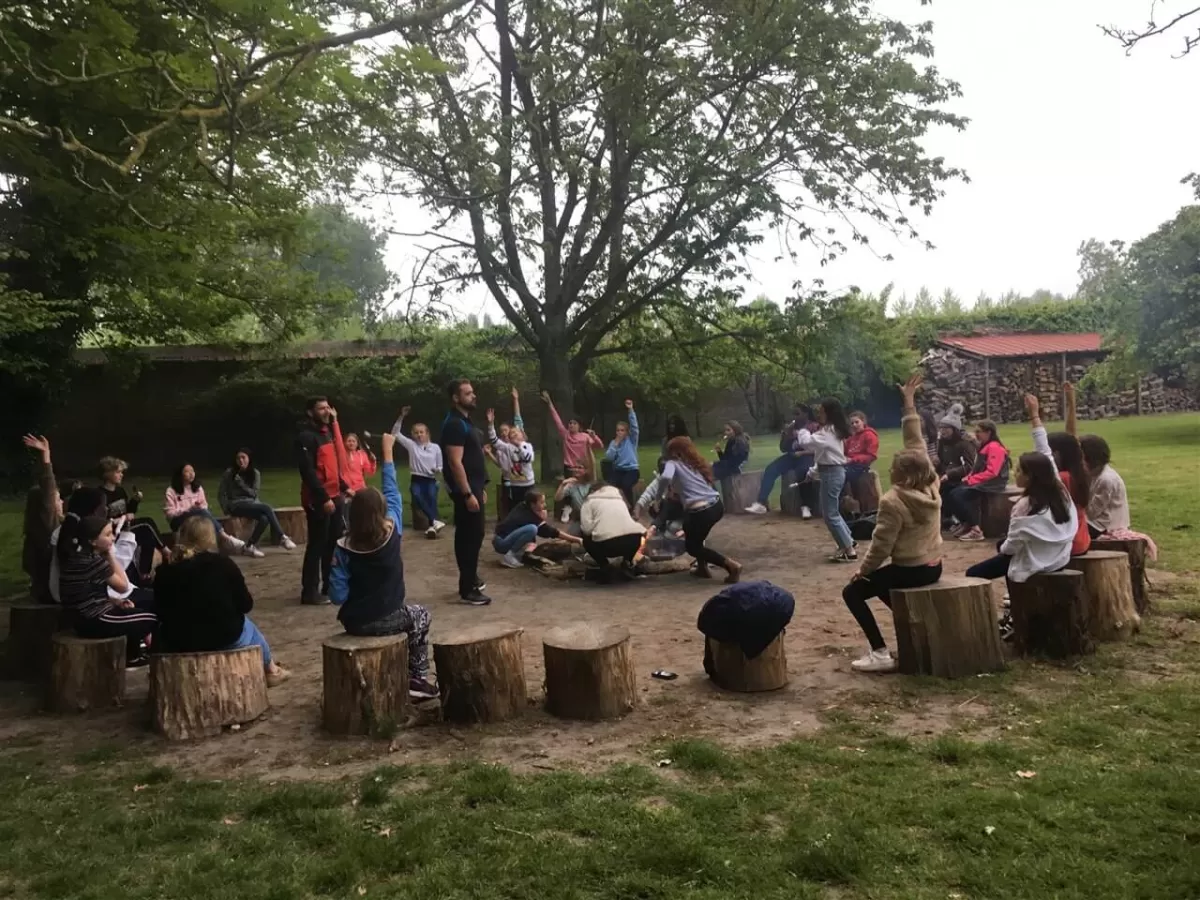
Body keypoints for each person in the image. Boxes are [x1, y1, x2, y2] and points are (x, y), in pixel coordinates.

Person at [842, 375, 943, 674]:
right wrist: (909, 404)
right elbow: (916, 444)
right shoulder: (931, 484)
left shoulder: (893, 500)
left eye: (894, 467)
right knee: (882, 583)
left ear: (902, 474)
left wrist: (862, 571)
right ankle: (915, 628)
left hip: (911, 570)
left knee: (853, 592)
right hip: (933, 565)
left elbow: (881, 545)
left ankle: (880, 652)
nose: (889, 469)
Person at [329, 433, 437, 699]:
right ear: (382, 511)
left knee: (407, 614)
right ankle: (417, 678)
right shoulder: (392, 530)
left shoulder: (342, 546)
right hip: (386, 616)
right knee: (421, 615)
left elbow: (337, 596)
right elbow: (392, 491)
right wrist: (387, 453)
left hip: (354, 621)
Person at [153, 515, 289, 686]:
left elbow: (159, 611)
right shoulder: (223, 564)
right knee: (248, 625)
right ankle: (271, 669)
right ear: (209, 538)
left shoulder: (164, 571)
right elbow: (246, 604)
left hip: (178, 641)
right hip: (225, 637)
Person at [965, 393, 1076, 585]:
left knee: (973, 574)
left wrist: (1004, 550)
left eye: (1018, 470)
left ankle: (1013, 597)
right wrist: (1034, 416)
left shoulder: (1024, 506)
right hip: (1059, 558)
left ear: (1029, 476)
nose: (1014, 473)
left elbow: (1010, 547)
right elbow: (1045, 450)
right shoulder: (1060, 491)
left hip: (1035, 563)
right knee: (1002, 546)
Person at [56, 513, 156, 665]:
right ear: (93, 541)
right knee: (152, 618)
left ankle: (133, 655)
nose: (113, 538)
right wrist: (110, 554)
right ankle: (151, 654)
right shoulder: (94, 562)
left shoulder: (76, 558)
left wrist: (116, 602)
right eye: (108, 535)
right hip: (95, 619)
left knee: (132, 611)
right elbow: (123, 586)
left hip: (80, 619)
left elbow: (87, 594)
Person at [662, 436, 742, 583]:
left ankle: (731, 565)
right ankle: (702, 568)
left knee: (693, 547)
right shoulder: (695, 464)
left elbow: (666, 477)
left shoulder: (672, 464)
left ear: (675, 452)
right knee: (690, 529)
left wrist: (657, 498)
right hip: (716, 506)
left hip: (701, 511)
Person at [440, 379, 492, 605]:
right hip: (466, 490)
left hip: (474, 487)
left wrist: (481, 487)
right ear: (456, 398)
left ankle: (470, 578)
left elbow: (473, 456)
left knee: (472, 535)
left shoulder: (465, 421)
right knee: (470, 536)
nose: (473, 396)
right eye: (468, 393)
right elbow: (455, 462)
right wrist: (468, 493)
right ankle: (468, 588)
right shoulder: (454, 424)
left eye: (473, 392)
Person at [297, 396, 350, 605]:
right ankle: (309, 592)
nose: (327, 411)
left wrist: (344, 487)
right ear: (310, 412)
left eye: (328, 407)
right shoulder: (305, 437)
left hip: (335, 496)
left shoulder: (327, 433)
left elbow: (333, 466)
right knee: (317, 545)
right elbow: (308, 472)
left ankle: (330, 586)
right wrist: (323, 498)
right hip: (318, 499)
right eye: (321, 408)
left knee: (334, 544)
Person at [794, 398, 857, 562]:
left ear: (829, 413)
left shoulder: (828, 432)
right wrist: (812, 472)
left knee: (830, 515)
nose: (819, 414)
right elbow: (823, 455)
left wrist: (802, 429)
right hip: (831, 472)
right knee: (832, 512)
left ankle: (849, 550)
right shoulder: (831, 430)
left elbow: (806, 443)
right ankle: (848, 541)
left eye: (822, 411)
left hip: (832, 474)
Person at [218, 448, 298, 555]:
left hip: (251, 503)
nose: (241, 460)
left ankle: (249, 545)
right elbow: (221, 493)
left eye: (243, 458)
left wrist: (241, 483)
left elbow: (254, 494)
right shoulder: (229, 473)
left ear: (249, 459)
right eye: (238, 458)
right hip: (236, 504)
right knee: (267, 507)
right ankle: (282, 537)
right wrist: (225, 508)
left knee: (264, 518)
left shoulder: (255, 473)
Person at [941, 419, 1010, 542]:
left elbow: (992, 472)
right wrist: (968, 478)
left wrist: (971, 480)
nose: (976, 434)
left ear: (988, 432)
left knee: (960, 494)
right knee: (951, 492)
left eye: (979, 431)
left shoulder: (994, 447)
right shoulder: (985, 445)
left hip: (993, 483)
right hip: (984, 481)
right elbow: (977, 467)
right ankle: (966, 523)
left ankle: (976, 530)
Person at [745, 404, 817, 517]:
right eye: (793, 414)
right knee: (771, 469)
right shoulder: (791, 428)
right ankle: (761, 503)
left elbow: (818, 448)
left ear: (806, 414)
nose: (795, 417)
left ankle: (806, 506)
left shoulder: (814, 427)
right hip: (792, 456)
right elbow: (783, 449)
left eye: (797, 414)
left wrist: (802, 452)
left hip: (808, 456)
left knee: (803, 473)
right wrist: (786, 435)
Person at [98, 455, 164, 575]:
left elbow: (129, 511)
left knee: (148, 535)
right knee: (147, 523)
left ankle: (144, 572)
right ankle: (165, 550)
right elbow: (101, 521)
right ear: (108, 474)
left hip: (126, 526)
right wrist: (120, 519)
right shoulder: (100, 495)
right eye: (118, 472)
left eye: (122, 472)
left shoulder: (120, 491)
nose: (121, 475)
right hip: (115, 531)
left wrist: (135, 500)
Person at [164, 464, 249, 555]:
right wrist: (188, 510)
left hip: (197, 519)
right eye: (187, 471)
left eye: (192, 471)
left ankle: (216, 548)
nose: (191, 474)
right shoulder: (171, 491)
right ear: (180, 474)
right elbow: (169, 513)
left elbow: (204, 506)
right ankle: (226, 538)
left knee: (203, 513)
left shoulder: (198, 488)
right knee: (201, 512)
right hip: (178, 521)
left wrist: (198, 507)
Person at [1050, 382, 1092, 557]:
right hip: (1082, 541)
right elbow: (1071, 440)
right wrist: (1071, 403)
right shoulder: (1079, 472)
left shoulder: (1061, 478)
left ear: (1057, 454)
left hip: (1067, 545)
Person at [392, 405, 446, 538]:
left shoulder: (435, 448)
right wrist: (401, 416)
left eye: (422, 432)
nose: (419, 434)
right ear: (412, 434)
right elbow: (395, 433)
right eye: (416, 432)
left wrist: (437, 469)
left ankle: (432, 526)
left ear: (427, 433)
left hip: (430, 479)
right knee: (417, 496)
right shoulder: (411, 445)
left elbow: (440, 466)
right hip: (416, 478)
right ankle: (434, 521)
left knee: (431, 499)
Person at [21, 434, 62, 604]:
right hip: (51, 595)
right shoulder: (48, 527)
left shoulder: (34, 530)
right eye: (58, 499)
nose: (61, 502)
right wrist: (46, 457)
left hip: (41, 592)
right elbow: (48, 487)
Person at [493, 490, 582, 568]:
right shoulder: (528, 515)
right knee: (532, 529)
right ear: (533, 504)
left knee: (532, 541)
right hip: (502, 543)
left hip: (501, 539)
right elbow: (549, 531)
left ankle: (518, 555)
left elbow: (544, 532)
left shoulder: (523, 506)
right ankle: (510, 556)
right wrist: (577, 539)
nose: (545, 505)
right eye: (542, 502)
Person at [579, 482, 647, 581]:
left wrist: (597, 526)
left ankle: (604, 565)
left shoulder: (589, 502)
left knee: (585, 536)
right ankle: (627, 562)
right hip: (633, 540)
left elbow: (587, 529)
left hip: (608, 544)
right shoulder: (620, 500)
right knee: (631, 534)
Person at [487, 400, 536, 515]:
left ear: (522, 435)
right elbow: (494, 440)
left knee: (530, 508)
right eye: (511, 433)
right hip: (515, 484)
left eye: (515, 432)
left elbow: (527, 458)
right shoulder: (507, 447)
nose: (513, 434)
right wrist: (490, 424)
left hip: (528, 484)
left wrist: (519, 445)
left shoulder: (527, 446)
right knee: (517, 508)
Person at [541, 390, 604, 477]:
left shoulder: (585, 436)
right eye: (570, 423)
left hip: (582, 467)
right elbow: (556, 419)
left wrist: (594, 436)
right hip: (569, 468)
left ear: (579, 426)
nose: (571, 425)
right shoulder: (565, 434)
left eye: (574, 423)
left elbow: (600, 446)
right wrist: (550, 403)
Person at [1080, 433, 1129, 537]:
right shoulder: (1093, 475)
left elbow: (1092, 512)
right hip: (1097, 522)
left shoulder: (1106, 480)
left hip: (1105, 526)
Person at [603, 399, 640, 504]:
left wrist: (630, 410)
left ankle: (630, 506)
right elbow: (609, 457)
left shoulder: (631, 440)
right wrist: (616, 444)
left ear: (627, 432)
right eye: (618, 430)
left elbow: (635, 427)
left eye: (622, 430)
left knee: (626, 484)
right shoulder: (613, 443)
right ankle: (614, 505)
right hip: (618, 470)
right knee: (610, 486)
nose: (619, 432)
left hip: (632, 470)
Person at [934, 404, 978, 482]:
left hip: (961, 480)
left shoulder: (965, 443)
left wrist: (949, 474)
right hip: (943, 477)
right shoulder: (941, 442)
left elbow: (968, 466)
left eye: (946, 428)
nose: (942, 430)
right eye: (941, 428)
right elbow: (942, 462)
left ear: (954, 429)